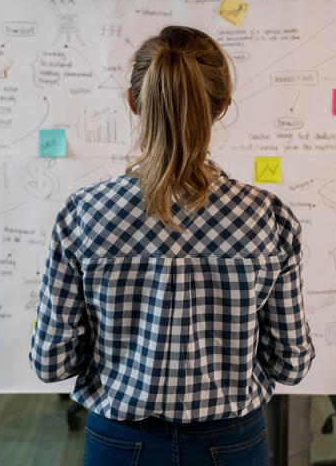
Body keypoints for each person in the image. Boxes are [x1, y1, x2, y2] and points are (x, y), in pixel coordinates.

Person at [30, 25, 314, 465]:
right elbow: (291, 364)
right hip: (231, 443)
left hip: (120, 442)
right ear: (220, 108)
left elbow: (51, 362)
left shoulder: (83, 214)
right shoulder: (267, 216)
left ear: (133, 102)